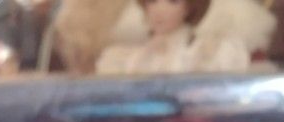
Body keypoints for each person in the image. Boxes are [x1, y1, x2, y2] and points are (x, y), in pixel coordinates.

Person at [97, 0, 250, 74]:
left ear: (189, 7)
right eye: (152, 1)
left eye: (173, 1)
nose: (160, 10)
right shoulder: (123, 59)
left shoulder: (209, 54)